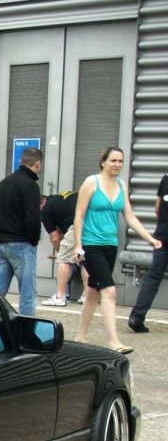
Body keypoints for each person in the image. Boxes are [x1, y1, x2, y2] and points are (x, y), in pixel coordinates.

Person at [73, 145, 162, 352]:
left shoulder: (122, 185)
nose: (117, 164)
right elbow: (79, 215)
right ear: (103, 162)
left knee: (93, 292)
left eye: (120, 161)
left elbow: (129, 216)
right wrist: (78, 245)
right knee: (109, 291)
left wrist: (149, 238)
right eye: (113, 160)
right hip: (91, 244)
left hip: (110, 245)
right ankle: (114, 342)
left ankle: (80, 336)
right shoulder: (91, 183)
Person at [0, 147, 43, 316]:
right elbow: (33, 219)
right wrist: (33, 240)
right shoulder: (30, 186)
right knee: (27, 293)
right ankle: (26, 328)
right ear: (37, 164)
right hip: (22, 244)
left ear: (21, 161)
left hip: (0, 244)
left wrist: (1, 233)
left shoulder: (2, 184)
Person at [127, 170, 168, 333]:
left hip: (162, 235)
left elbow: (157, 208)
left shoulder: (165, 179)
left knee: (153, 277)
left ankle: (136, 317)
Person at [41, 189, 86, 306]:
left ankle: (60, 297)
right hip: (93, 222)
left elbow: (55, 238)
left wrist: (60, 252)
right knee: (85, 261)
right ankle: (87, 296)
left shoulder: (45, 210)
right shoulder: (60, 197)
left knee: (64, 260)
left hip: (77, 224)